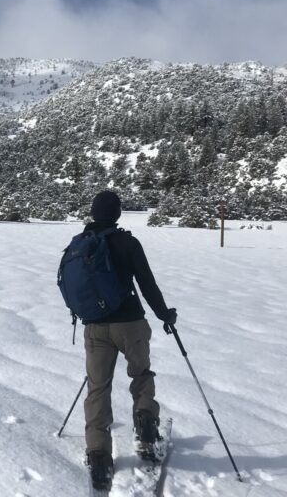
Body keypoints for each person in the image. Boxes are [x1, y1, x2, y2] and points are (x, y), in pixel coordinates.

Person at [81, 190, 177, 487]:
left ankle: (99, 456)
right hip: (131, 324)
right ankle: (147, 426)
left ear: (94, 213)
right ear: (117, 213)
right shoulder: (128, 242)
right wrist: (165, 315)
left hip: (95, 327)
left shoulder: (82, 244)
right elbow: (147, 283)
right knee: (141, 374)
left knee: (98, 387)